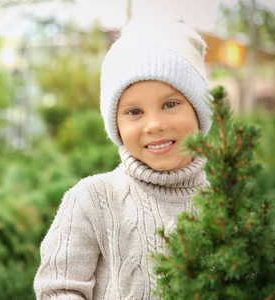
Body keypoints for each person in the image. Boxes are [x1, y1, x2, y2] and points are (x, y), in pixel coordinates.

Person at [34, 17, 213, 300]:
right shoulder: (92, 199)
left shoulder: (226, 205)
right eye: (134, 112)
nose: (153, 124)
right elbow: (59, 288)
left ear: (199, 111)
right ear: (116, 124)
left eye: (170, 104)